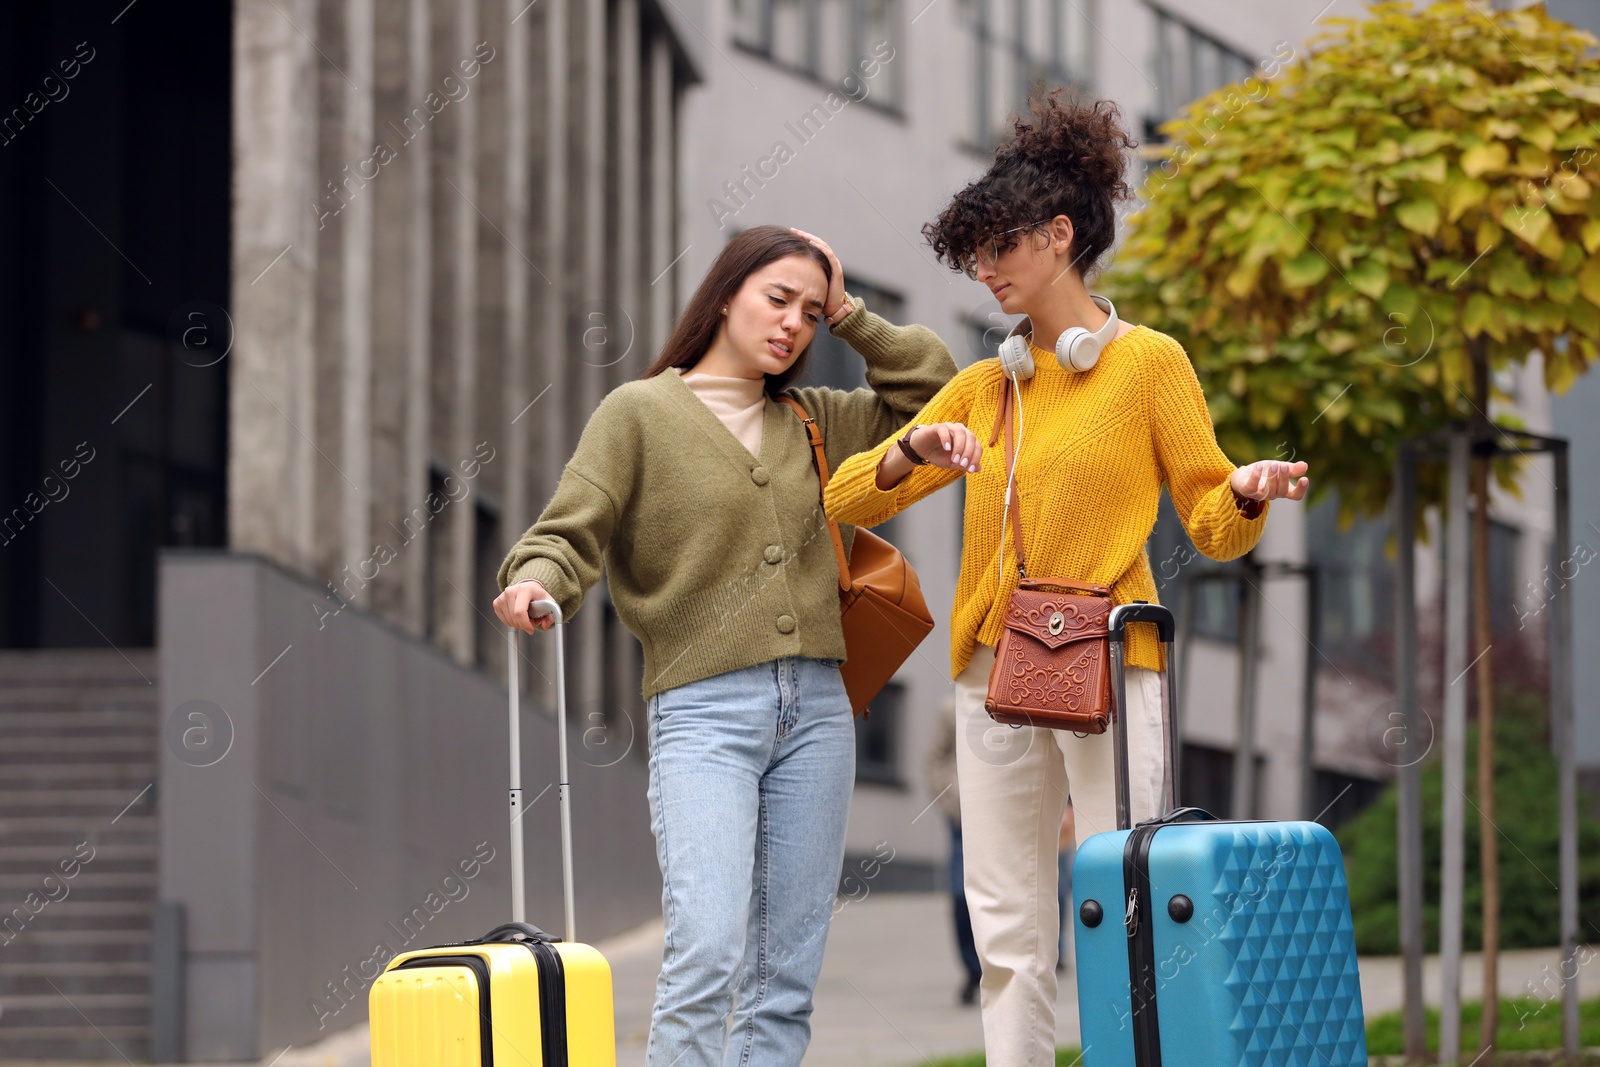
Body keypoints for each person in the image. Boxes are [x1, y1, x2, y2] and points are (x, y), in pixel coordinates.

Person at [821, 94, 1310, 1066]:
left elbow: (1210, 521)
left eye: (999, 245)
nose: (985, 268)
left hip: (1114, 661)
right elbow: (841, 500)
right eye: (972, 254)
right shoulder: (986, 383)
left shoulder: (1148, 367)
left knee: (1125, 889)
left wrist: (1246, 490)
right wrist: (907, 446)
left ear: (1060, 234)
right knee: (1004, 921)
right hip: (992, 673)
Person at [492, 224, 957, 1067]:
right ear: (726, 293)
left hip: (818, 710)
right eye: (777, 299)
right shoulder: (639, 412)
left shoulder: (817, 417)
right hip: (705, 711)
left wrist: (854, 313)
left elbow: (935, 390)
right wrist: (536, 581)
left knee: (785, 975)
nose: (792, 324)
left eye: (810, 313)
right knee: (707, 948)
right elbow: (569, 529)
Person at [925, 693, 983, 1005]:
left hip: (1001, 816)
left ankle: (995, 965)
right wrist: (950, 802)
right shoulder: (951, 707)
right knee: (962, 895)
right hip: (961, 819)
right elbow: (935, 757)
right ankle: (973, 968)